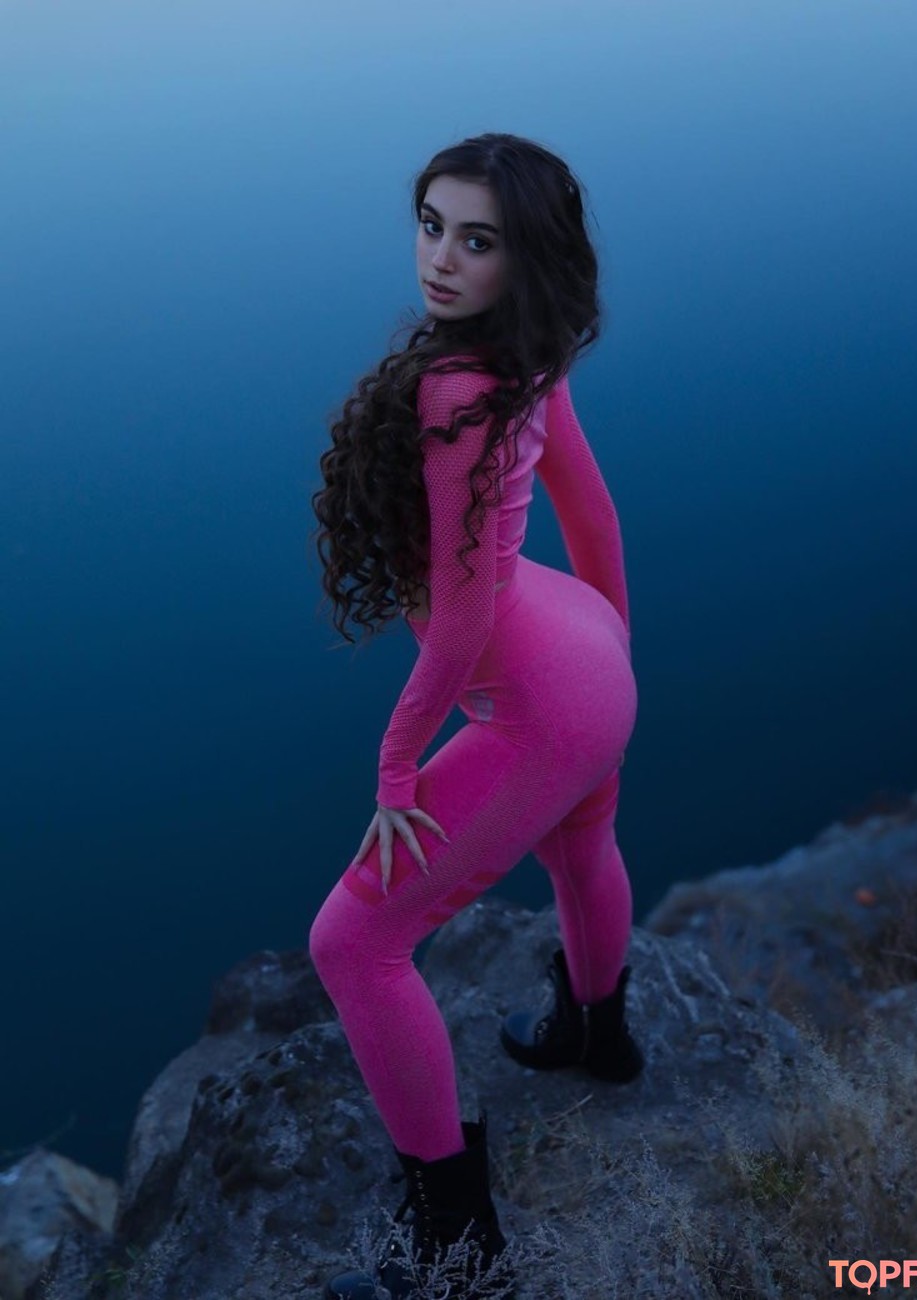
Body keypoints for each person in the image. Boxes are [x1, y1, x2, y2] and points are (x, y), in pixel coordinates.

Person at [308, 132, 644, 1300]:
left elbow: (460, 623)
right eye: (431, 225)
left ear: (525, 257)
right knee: (582, 848)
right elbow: (594, 517)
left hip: (539, 698)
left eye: (478, 239)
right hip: (591, 657)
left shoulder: (456, 390)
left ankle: (460, 1249)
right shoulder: (528, 357)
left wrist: (397, 767)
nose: (440, 259)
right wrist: (616, 650)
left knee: (353, 943)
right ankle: (600, 1037)